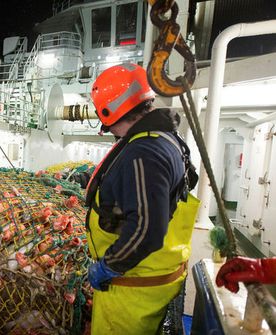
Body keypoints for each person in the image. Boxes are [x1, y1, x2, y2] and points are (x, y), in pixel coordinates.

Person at [85, 63, 200, 334]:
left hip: (134, 288)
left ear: (109, 111)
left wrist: (108, 266)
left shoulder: (144, 152)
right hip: (155, 275)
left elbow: (147, 230)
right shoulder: (164, 137)